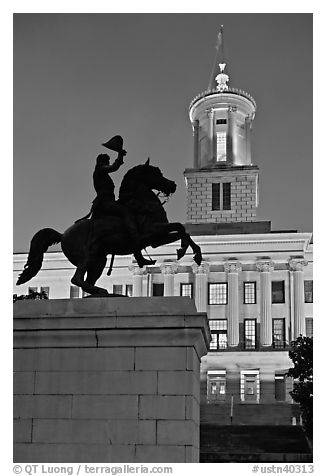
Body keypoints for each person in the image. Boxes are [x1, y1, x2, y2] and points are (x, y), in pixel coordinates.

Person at [91, 150, 155, 268]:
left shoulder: (101, 173)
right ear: (102, 162)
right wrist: (120, 156)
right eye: (106, 161)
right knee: (126, 211)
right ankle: (134, 235)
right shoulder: (100, 170)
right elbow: (114, 167)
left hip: (109, 201)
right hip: (105, 202)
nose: (107, 163)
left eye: (108, 161)